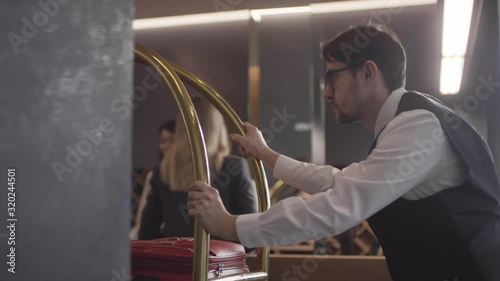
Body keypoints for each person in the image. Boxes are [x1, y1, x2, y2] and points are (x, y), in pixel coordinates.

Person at [187, 24, 500, 281]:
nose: (326, 93)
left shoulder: (418, 126)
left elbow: (338, 206)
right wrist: (267, 155)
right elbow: (340, 182)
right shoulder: (410, 121)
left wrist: (231, 226)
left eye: (332, 76)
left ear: (367, 73)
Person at [139, 98, 258, 241]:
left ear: (181, 126)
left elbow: (147, 232)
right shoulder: (234, 167)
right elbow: (250, 235)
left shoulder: (163, 168)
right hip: (220, 261)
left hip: (175, 260)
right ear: (218, 128)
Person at [129, 120, 176, 240]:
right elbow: (144, 221)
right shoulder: (155, 175)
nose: (166, 146)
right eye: (163, 141)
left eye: (171, 140)